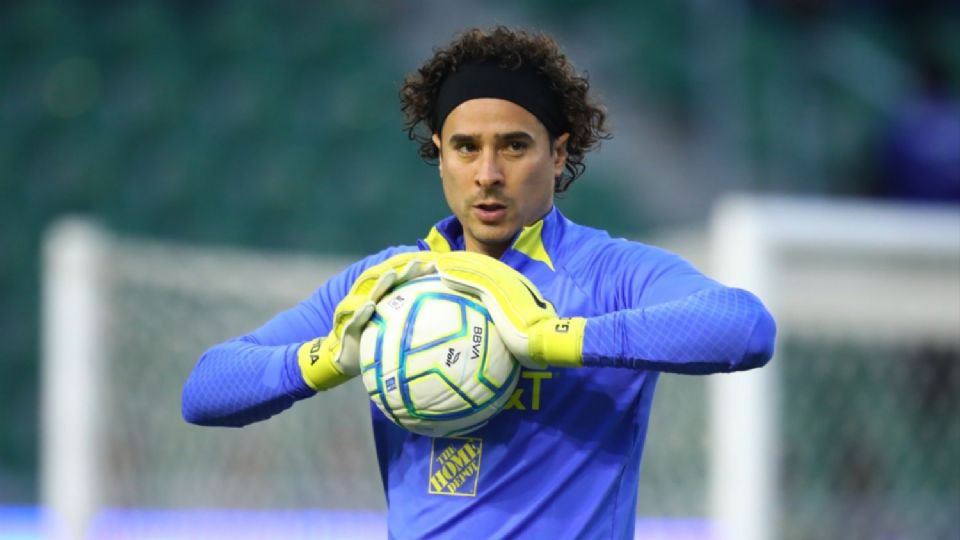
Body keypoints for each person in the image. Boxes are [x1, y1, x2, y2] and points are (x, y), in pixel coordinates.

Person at [182, 26, 776, 539]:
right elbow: (205, 390)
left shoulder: (609, 272)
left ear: (559, 153)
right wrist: (329, 358)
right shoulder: (387, 285)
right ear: (439, 154)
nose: (488, 174)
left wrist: (552, 338)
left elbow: (743, 328)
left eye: (514, 146)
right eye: (466, 148)